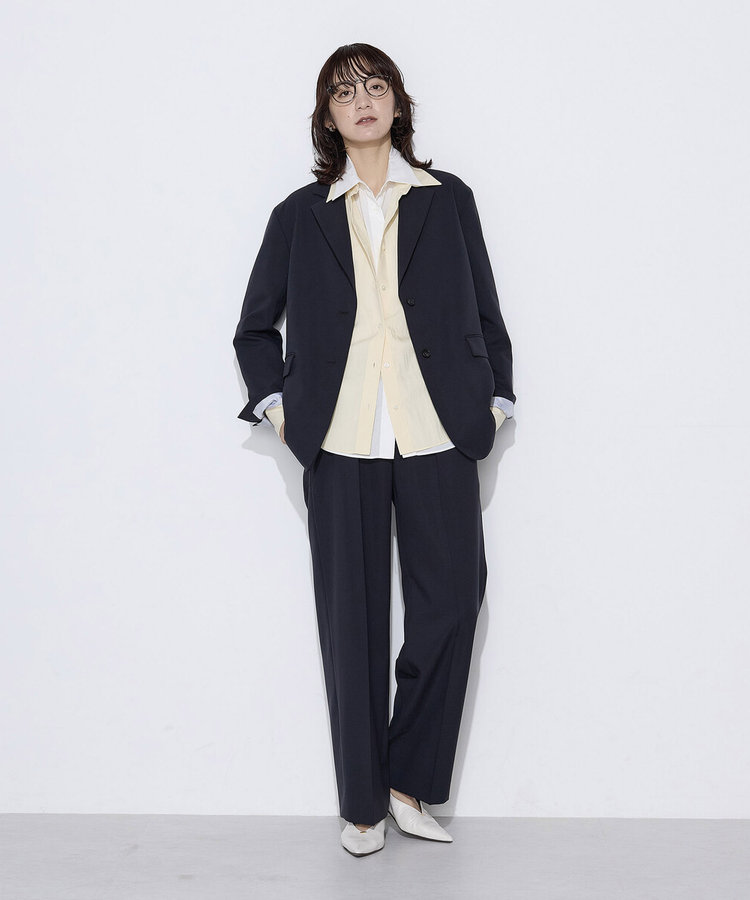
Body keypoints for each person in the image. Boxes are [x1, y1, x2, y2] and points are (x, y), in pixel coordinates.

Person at [233, 43, 515, 856]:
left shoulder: (447, 199)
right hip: (340, 433)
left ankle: (408, 784)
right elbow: (253, 329)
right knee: (349, 621)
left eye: (376, 86)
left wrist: (495, 399)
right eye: (344, 92)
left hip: (438, 428)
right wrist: (282, 414)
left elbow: (486, 308)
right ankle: (361, 804)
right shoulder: (299, 214)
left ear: (398, 103)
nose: (362, 101)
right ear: (327, 116)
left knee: (452, 602)